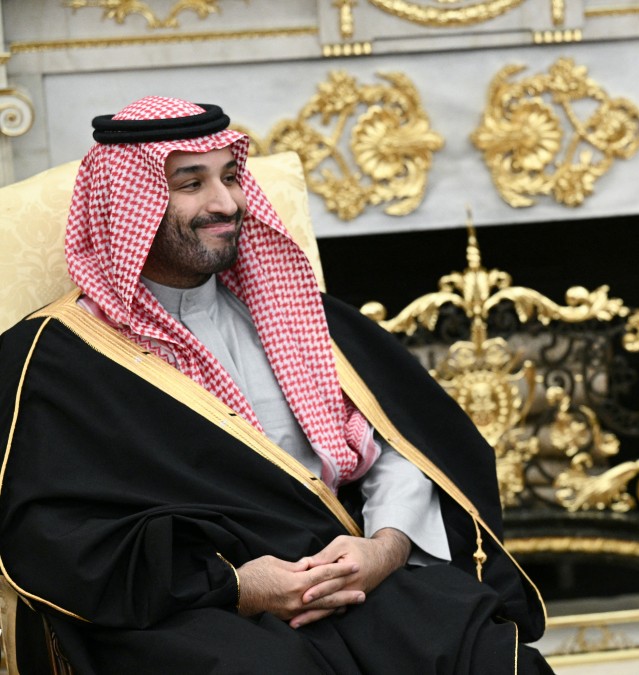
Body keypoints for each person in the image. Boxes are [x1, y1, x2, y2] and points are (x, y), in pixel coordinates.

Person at [0, 96, 551, 674]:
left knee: (489, 656)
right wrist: (237, 587)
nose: (226, 203)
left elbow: (403, 445)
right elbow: (51, 537)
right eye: (191, 183)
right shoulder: (55, 359)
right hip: (187, 608)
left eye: (232, 176)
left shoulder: (307, 317)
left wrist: (383, 549)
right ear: (125, 208)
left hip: (347, 578)